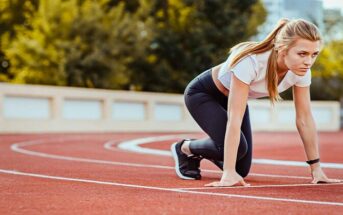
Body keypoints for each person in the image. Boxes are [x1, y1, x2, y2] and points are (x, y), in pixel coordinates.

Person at [170, 18, 341, 187]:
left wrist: (316, 168)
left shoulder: (302, 71)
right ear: (282, 49)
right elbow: (234, 118)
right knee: (238, 152)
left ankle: (215, 148)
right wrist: (228, 173)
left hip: (234, 98)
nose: (308, 62)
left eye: (314, 54)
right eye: (302, 53)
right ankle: (185, 148)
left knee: (241, 170)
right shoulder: (251, 62)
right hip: (204, 94)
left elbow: (304, 119)